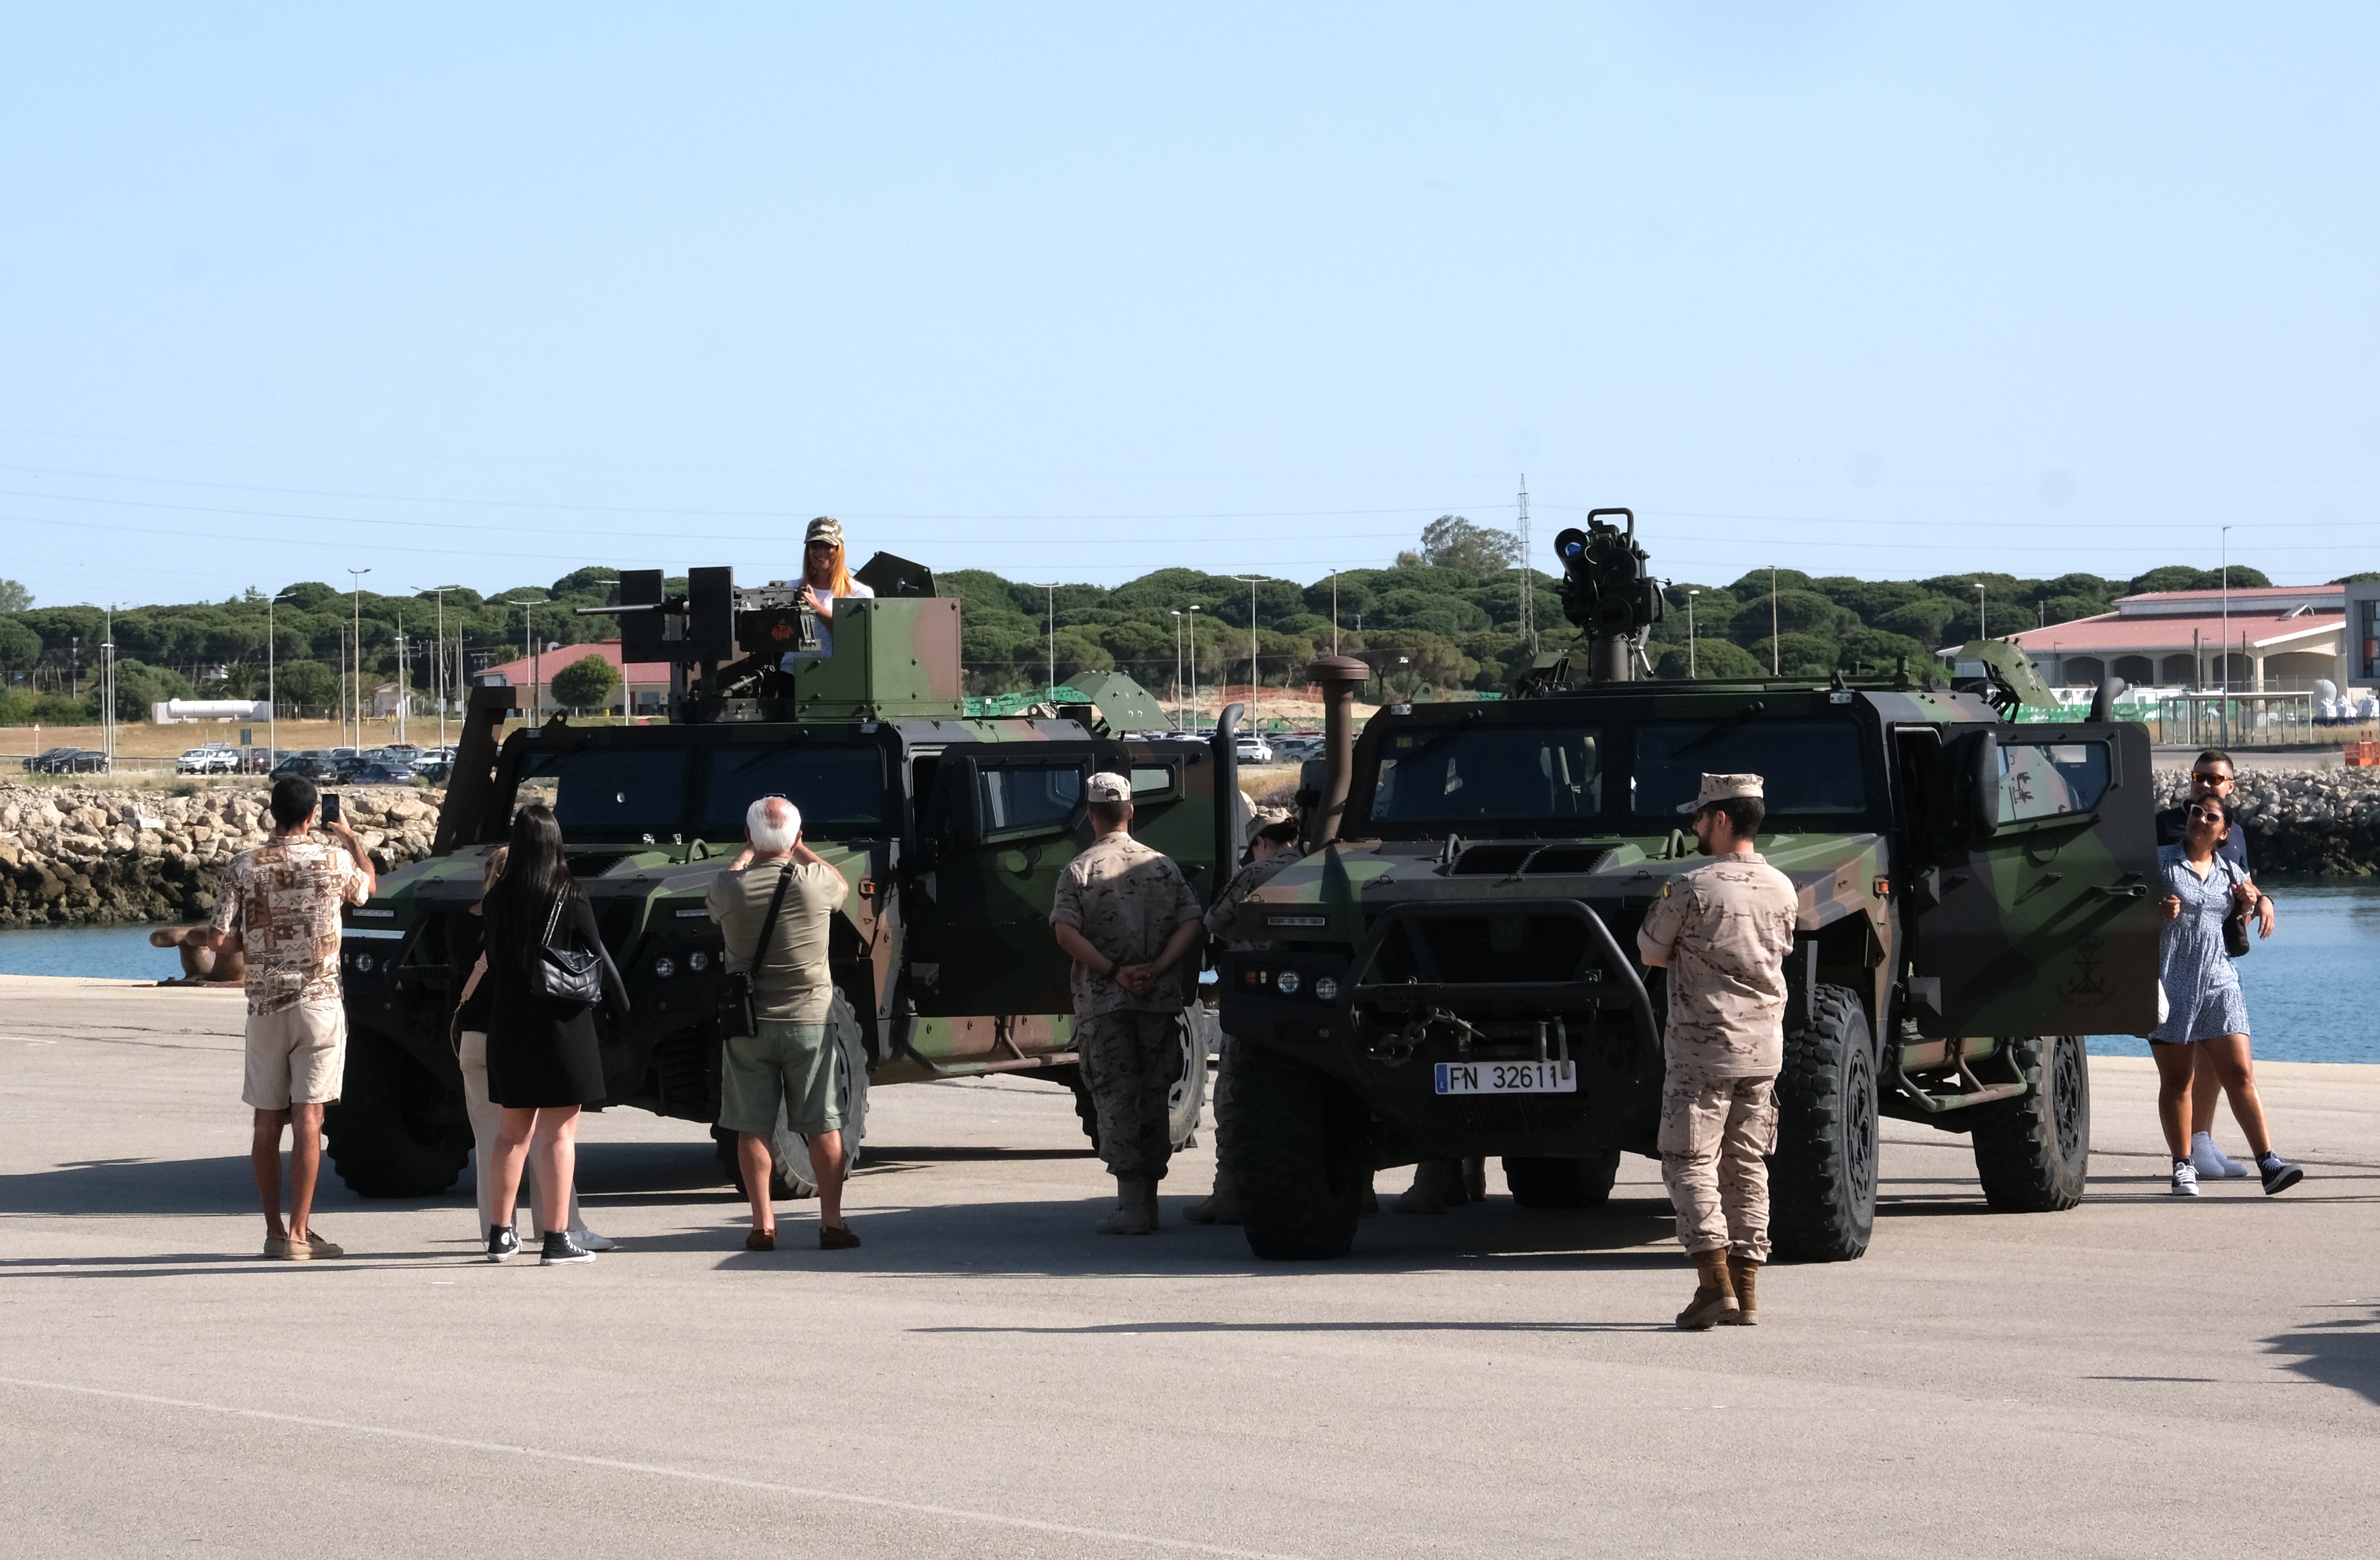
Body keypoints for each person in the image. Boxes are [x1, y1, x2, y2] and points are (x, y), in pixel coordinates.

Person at [1636, 772, 1797, 1330]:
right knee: (1746, 1164)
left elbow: (1651, 952)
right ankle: (1747, 1290)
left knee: (1687, 1161)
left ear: (1721, 819)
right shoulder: (1782, 886)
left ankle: (1713, 1284)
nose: (1694, 825)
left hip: (1703, 1051)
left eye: (1700, 817)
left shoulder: (1691, 886)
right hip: (1762, 1049)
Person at [203, 774, 375, 1260]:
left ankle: (274, 1229)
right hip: (319, 1003)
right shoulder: (334, 859)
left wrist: (255, 944)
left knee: (265, 1120)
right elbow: (369, 888)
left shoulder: (243, 864)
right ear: (313, 812)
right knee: (309, 1117)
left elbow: (218, 940)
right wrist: (351, 837)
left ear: (271, 811)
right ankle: (301, 1233)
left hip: (264, 1004)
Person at [1049, 772, 1206, 1234]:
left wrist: (1114, 972)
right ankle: (1150, 1200)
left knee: (1116, 1094)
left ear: (1090, 814)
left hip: (1106, 1003)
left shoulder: (1080, 869)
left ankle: (1131, 1205)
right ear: (1131, 811)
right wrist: (1156, 969)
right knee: (1155, 1093)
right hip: (1157, 1001)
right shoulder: (1161, 866)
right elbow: (1191, 921)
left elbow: (1065, 932)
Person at [475, 803, 631, 1265]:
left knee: (510, 1135)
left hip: (508, 1025)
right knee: (558, 1136)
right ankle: (557, 1239)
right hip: (561, 1026)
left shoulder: (496, 898)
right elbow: (593, 951)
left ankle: (501, 1235)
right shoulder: (569, 892)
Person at [705, 795, 859, 1251]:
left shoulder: (730, 886)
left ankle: (762, 1224)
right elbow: (841, 885)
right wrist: (801, 849)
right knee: (823, 1124)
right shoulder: (814, 883)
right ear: (795, 837)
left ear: (750, 835)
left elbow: (723, 888)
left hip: (748, 1023)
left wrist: (746, 854)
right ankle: (831, 1222)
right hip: (809, 1022)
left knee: (751, 1126)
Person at [452, 847, 612, 1252]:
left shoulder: (465, 921)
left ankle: (498, 1230)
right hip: (519, 1036)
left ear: (488, 872)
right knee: (550, 1137)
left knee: (495, 1138)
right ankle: (561, 1227)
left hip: (474, 1037)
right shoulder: (536, 915)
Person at [2150, 795, 2303, 1198]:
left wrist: (2252, 904)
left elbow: (2241, 918)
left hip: (2219, 980)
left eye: (2211, 816)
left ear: (2222, 833)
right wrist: (2154, 911)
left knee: (2239, 1072)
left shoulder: (2229, 872)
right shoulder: (2160, 861)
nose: (2200, 819)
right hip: (2170, 979)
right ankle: (2182, 1165)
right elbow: (2121, 906)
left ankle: (2268, 1162)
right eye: (2196, 812)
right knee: (2178, 1080)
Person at [1183, 818, 1301, 1225]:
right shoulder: (1318, 866)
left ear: (1261, 843)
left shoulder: (1256, 872)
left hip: (1256, 1002)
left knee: (1234, 1096)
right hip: (1308, 1002)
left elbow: (1215, 921)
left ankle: (1229, 1193)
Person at [779, 515, 874, 669]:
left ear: (839, 549)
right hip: (791, 676)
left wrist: (816, 608)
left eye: (827, 545)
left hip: (834, 677)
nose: (821, 552)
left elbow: (855, 635)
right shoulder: (792, 588)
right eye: (815, 545)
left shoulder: (858, 594)